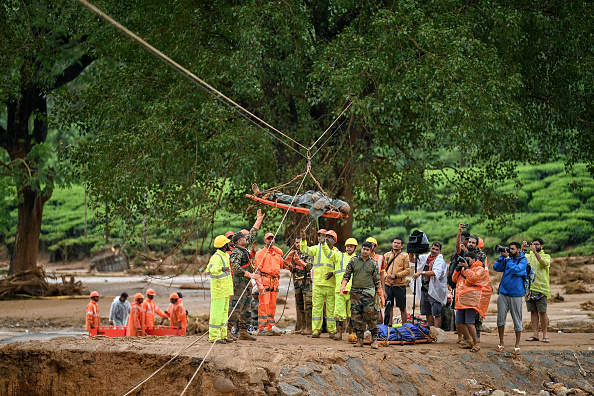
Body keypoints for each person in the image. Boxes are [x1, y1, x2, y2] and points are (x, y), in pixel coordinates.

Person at [229, 209, 265, 341]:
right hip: (239, 284)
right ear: (238, 241)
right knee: (236, 307)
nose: (247, 238)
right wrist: (250, 275)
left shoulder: (243, 248)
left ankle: (244, 331)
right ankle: (228, 330)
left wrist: (258, 220)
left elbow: (252, 234)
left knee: (247, 308)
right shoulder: (237, 252)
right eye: (244, 238)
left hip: (247, 284)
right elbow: (236, 268)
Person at [341, 241, 384, 348]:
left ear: (371, 251)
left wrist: (381, 295)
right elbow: (347, 275)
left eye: (367, 250)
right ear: (361, 249)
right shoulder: (354, 261)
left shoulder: (373, 264)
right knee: (356, 316)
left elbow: (377, 281)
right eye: (363, 249)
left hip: (368, 293)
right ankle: (360, 339)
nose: (365, 251)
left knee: (371, 315)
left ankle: (374, 339)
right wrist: (343, 286)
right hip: (355, 292)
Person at [451, 253, 492, 353]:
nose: (466, 260)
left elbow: (473, 279)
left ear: (474, 259)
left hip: (471, 300)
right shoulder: (463, 268)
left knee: (469, 323)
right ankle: (469, 341)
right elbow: (454, 280)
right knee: (459, 323)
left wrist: (467, 268)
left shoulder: (479, 269)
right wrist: (457, 270)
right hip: (461, 299)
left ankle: (475, 343)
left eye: (468, 259)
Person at [300, 228, 336, 338]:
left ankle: (332, 331)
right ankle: (316, 330)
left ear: (334, 240)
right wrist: (304, 239)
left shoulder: (337, 253)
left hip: (330, 285)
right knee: (316, 309)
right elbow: (305, 250)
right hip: (318, 284)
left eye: (328, 237)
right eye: (322, 236)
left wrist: (333, 272)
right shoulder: (317, 249)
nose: (325, 239)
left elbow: (339, 268)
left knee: (331, 310)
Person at [493, 242, 528, 354]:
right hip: (503, 293)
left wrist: (508, 258)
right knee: (500, 319)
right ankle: (501, 342)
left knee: (517, 319)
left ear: (518, 250)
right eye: (509, 249)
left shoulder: (523, 260)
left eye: (512, 249)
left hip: (516, 294)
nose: (510, 251)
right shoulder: (508, 259)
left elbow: (517, 270)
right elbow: (496, 268)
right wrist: (502, 256)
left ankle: (517, 344)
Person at [322, 232, 357, 341]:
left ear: (355, 248)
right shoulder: (339, 255)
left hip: (353, 291)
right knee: (339, 313)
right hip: (340, 290)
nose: (349, 248)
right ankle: (339, 334)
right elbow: (328, 254)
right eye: (347, 246)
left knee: (352, 314)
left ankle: (352, 334)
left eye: (351, 247)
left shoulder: (359, 260)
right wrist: (323, 243)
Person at [410, 242, 447, 328]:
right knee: (427, 312)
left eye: (437, 250)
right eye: (433, 248)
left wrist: (421, 272)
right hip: (424, 287)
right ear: (430, 248)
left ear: (440, 251)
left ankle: (437, 333)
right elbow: (413, 260)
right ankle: (432, 331)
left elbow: (435, 272)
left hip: (435, 289)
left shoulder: (440, 260)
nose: (434, 251)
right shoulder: (426, 257)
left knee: (436, 312)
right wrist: (411, 251)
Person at [255, 233, 285, 335]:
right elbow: (257, 270)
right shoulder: (260, 253)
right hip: (265, 282)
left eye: (272, 239)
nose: (270, 241)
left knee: (272, 305)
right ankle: (262, 328)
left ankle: (270, 327)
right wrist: (259, 284)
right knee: (264, 305)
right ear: (265, 241)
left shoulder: (277, 254)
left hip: (274, 282)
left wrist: (290, 256)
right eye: (268, 239)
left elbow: (284, 264)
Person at [207, 235, 234, 343]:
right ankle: (214, 337)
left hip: (226, 290)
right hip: (218, 291)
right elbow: (210, 268)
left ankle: (223, 335)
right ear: (224, 245)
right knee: (216, 314)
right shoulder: (216, 257)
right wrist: (221, 268)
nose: (229, 245)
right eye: (227, 243)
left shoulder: (226, 256)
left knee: (223, 314)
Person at [523, 238, 552, 343]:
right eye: (533, 244)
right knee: (533, 312)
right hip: (529, 288)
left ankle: (545, 334)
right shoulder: (528, 256)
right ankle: (535, 334)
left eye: (537, 244)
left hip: (542, 289)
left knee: (542, 312)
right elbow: (519, 260)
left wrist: (535, 253)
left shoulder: (546, 256)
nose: (535, 246)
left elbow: (544, 264)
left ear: (542, 246)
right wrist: (522, 249)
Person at [284, 236, 313, 335]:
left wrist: (300, 262)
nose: (298, 245)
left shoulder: (309, 253)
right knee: (300, 305)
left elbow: (309, 267)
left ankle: (309, 328)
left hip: (306, 282)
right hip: (297, 281)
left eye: (300, 243)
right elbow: (295, 269)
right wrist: (290, 267)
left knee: (308, 305)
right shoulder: (296, 254)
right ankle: (303, 327)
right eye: (296, 243)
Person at [381, 237, 410, 325]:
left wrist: (395, 276)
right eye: (394, 242)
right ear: (392, 244)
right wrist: (388, 277)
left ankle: (404, 326)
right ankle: (389, 326)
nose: (396, 244)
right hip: (388, 284)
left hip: (400, 285)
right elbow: (382, 270)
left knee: (402, 307)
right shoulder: (386, 255)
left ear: (401, 245)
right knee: (389, 306)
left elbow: (408, 270)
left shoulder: (405, 256)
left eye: (398, 243)